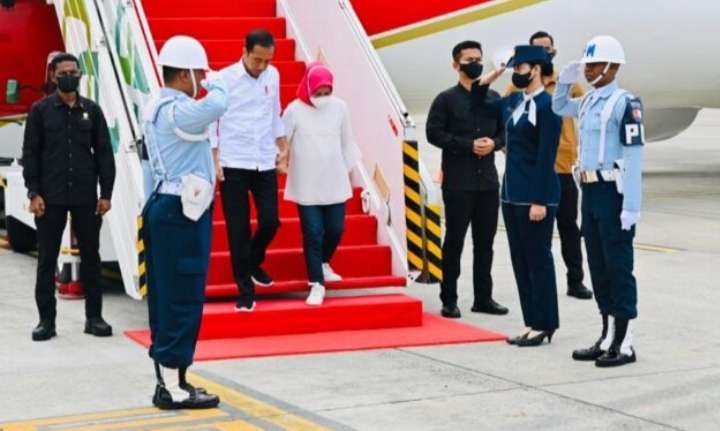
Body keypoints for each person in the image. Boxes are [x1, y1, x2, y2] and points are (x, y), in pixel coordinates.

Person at [142, 35, 228, 409]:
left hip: (169, 207)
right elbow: (221, 102)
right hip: (181, 212)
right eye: (198, 73)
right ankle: (174, 386)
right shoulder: (179, 111)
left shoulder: (157, 107)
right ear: (184, 75)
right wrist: (216, 80)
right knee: (182, 295)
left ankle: (171, 379)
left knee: (167, 296)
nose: (201, 80)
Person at [553, 36, 644, 367]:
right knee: (598, 265)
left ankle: (625, 341)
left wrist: (631, 205)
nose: (588, 70)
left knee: (619, 267)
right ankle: (607, 335)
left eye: (593, 64)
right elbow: (559, 107)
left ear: (613, 67)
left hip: (613, 193)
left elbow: (634, 157)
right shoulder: (589, 101)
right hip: (589, 193)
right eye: (586, 64)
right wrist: (565, 81)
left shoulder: (625, 103)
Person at [22, 52, 116, 342]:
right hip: (50, 197)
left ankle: (94, 317)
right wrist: (33, 191)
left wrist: (106, 192)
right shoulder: (40, 111)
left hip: (86, 195)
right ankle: (46, 322)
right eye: (64, 72)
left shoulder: (92, 110)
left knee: (91, 256)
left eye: (74, 72)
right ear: (53, 75)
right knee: (47, 259)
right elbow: (31, 154)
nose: (70, 76)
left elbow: (103, 153)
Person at [505, 31, 592, 300]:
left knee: (569, 227)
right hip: (533, 172)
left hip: (563, 166)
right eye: (539, 49)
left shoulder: (567, 85)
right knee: (537, 239)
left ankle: (575, 279)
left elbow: (583, 110)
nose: (546, 53)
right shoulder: (516, 91)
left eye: (549, 48)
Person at [426, 40, 509, 319]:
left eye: (479, 59)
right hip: (458, 182)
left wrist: (494, 144)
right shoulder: (446, 99)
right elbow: (433, 134)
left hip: (486, 181)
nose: (475, 63)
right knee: (455, 241)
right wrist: (467, 145)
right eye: (469, 59)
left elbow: (505, 133)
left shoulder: (494, 98)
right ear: (456, 65)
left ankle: (483, 298)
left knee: (485, 242)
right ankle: (449, 298)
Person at [210, 29, 288, 312]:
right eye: (258, 60)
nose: (263, 67)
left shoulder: (273, 75)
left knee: (271, 221)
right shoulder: (224, 79)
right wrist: (215, 160)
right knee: (238, 229)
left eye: (267, 61)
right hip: (233, 162)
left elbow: (274, 112)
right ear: (244, 51)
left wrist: (283, 148)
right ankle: (245, 289)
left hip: (264, 158)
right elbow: (212, 121)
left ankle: (253, 262)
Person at [500, 45, 562, 347]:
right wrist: (493, 73)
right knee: (520, 260)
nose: (516, 74)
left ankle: (545, 322)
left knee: (538, 260)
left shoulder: (549, 107)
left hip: (535, 196)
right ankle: (530, 321)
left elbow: (545, 156)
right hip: (511, 194)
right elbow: (479, 102)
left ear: (535, 69)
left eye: (520, 69)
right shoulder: (515, 103)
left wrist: (539, 199)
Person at [282, 62, 358, 306]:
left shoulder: (340, 108)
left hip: (334, 180)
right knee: (313, 232)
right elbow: (282, 139)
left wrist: (346, 170)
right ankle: (316, 283)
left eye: (327, 93)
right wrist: (281, 160)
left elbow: (347, 141)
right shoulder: (294, 110)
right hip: (306, 182)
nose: (322, 98)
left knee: (336, 228)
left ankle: (323, 262)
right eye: (318, 93)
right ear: (308, 88)